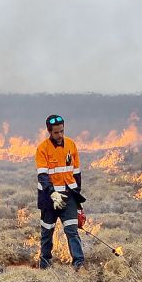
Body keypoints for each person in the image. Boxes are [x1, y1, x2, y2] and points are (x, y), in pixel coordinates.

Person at [35, 114, 85, 270]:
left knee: (72, 231)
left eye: (62, 131)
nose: (60, 135)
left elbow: (76, 174)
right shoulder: (42, 148)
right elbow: (43, 176)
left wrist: (77, 201)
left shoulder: (71, 145)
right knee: (47, 232)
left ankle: (79, 264)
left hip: (69, 197)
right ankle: (44, 265)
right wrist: (52, 193)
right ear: (49, 131)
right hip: (49, 198)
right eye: (56, 132)